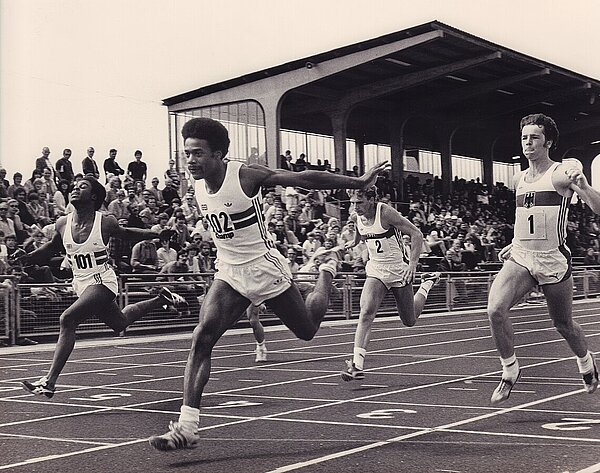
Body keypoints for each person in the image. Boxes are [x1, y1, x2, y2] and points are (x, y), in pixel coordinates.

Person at [149, 117, 387, 450]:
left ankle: (326, 273)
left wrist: (357, 181)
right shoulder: (196, 185)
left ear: (219, 154)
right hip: (229, 272)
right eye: (187, 153)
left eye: (198, 154)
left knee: (306, 329)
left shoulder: (246, 175)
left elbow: (304, 177)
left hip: (265, 268)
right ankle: (187, 426)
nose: (191, 161)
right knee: (202, 337)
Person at [18, 175, 188, 399]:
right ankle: (162, 299)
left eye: (83, 187)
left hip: (101, 280)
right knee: (119, 323)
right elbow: (51, 248)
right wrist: (26, 256)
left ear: (94, 196)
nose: (75, 189)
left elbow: (127, 233)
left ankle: (49, 381)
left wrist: (156, 234)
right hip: (80, 282)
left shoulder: (104, 221)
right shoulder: (62, 223)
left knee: (67, 319)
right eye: (75, 186)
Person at [488, 113, 599, 406]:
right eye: (524, 137)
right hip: (522, 256)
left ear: (548, 141)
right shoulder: (518, 178)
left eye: (534, 137)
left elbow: (597, 208)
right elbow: (524, 216)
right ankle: (510, 370)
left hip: (553, 259)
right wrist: (513, 244)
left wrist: (585, 187)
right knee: (495, 310)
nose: (528, 142)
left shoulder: (561, 174)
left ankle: (586, 363)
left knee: (563, 324)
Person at [340, 187, 440, 381]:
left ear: (371, 199)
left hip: (398, 268)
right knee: (366, 311)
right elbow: (362, 230)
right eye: (352, 202)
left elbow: (417, 234)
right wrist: (355, 242)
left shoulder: (385, 212)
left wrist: (412, 264)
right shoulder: (356, 216)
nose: (355, 207)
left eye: (359, 202)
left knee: (409, 320)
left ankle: (426, 284)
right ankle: (357, 365)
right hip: (376, 269)